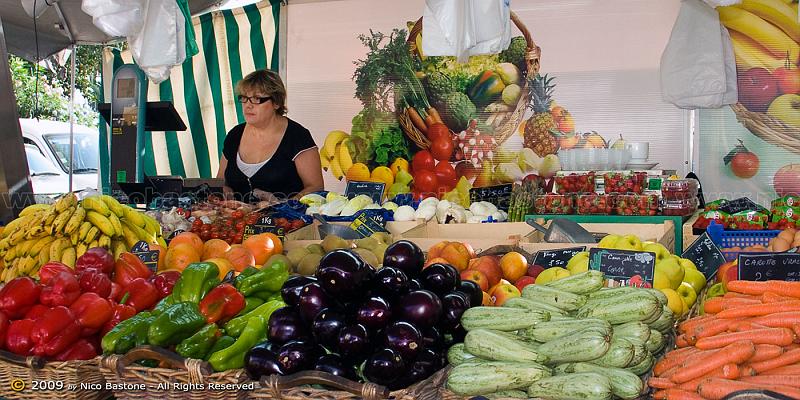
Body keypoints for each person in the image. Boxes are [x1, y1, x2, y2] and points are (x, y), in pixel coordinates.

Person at [217, 69, 323, 203]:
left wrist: (284, 205)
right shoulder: (235, 135)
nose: (248, 106)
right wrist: (224, 190)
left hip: (285, 221)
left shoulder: (297, 136)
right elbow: (220, 181)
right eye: (244, 98)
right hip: (238, 221)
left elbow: (316, 187)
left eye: (257, 99)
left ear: (276, 103)